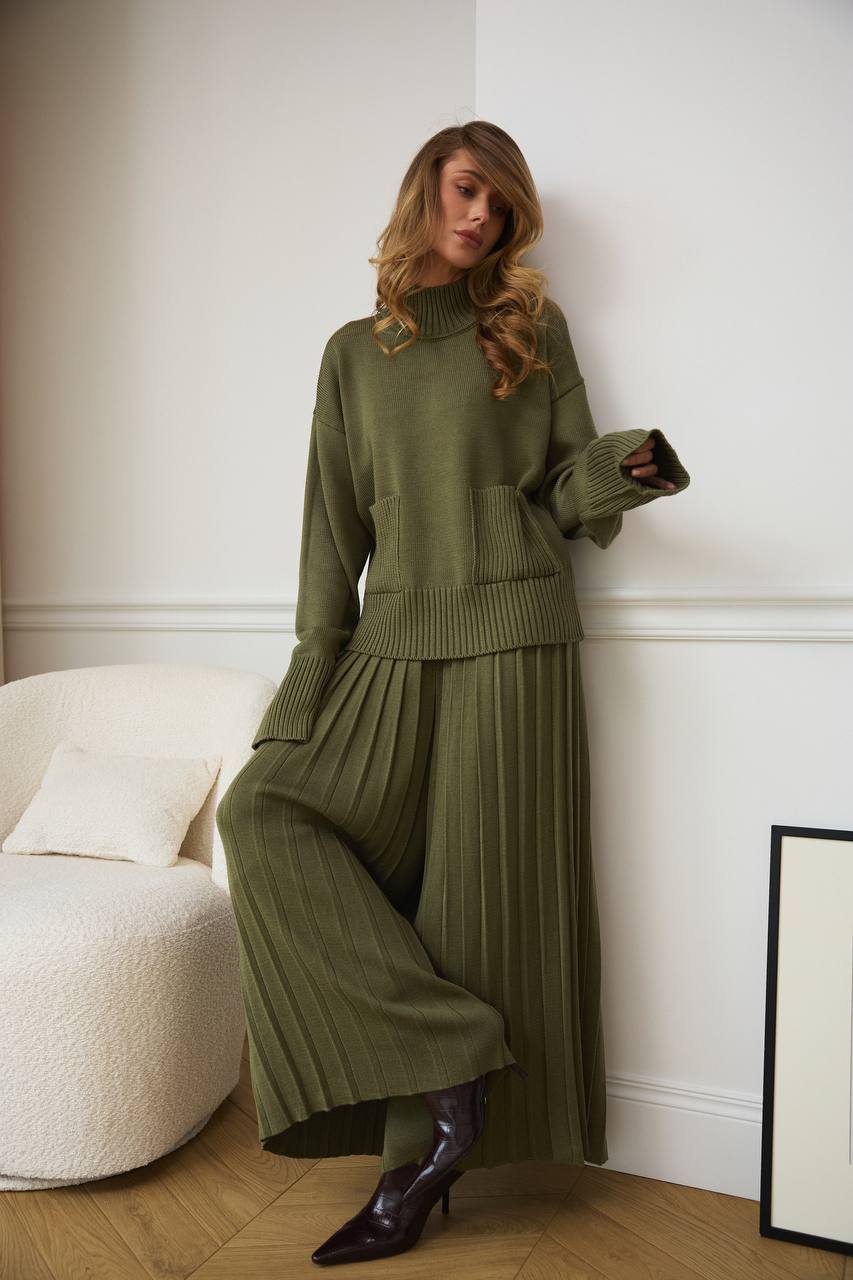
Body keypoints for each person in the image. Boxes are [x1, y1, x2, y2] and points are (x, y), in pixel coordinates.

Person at [215, 119, 690, 1267]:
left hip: (514, 636)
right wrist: (304, 686)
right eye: (467, 188)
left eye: (499, 205)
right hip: (390, 640)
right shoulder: (349, 352)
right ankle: (453, 1051)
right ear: (426, 184)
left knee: (471, 910)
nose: (479, 216)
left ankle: (418, 1170)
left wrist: (628, 468)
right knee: (264, 811)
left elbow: (568, 480)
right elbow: (333, 533)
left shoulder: (526, 327)